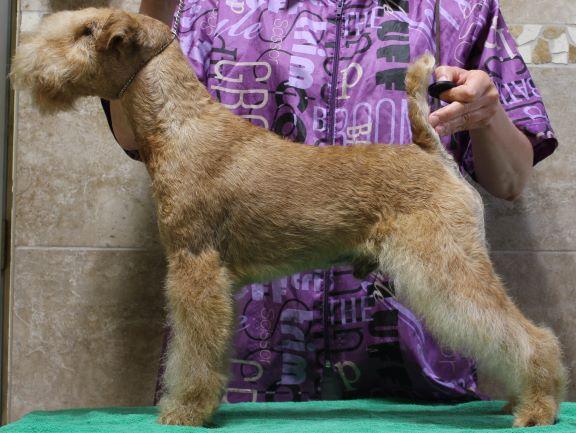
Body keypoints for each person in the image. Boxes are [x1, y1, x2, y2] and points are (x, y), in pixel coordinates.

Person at [102, 0, 558, 403]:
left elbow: (511, 179)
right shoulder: (202, 5)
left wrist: (487, 114)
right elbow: (134, 134)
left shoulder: (458, 7)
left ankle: (535, 368)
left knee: (468, 295)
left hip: (412, 375)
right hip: (254, 376)